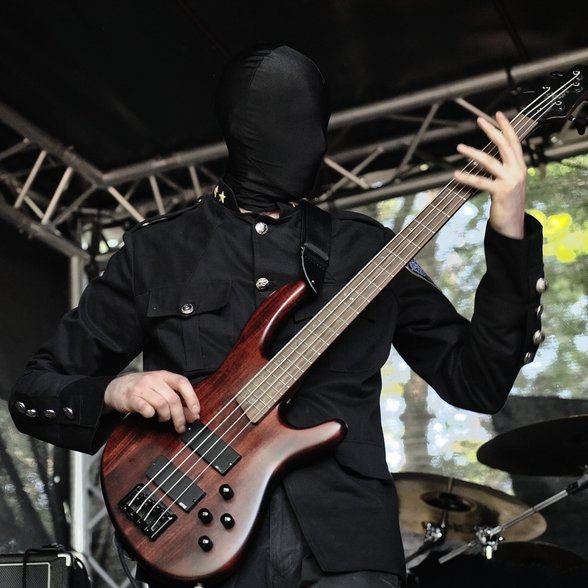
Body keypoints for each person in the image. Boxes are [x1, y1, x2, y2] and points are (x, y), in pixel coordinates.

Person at [9, 45, 545, 588]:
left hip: (347, 548)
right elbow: (34, 392)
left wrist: (510, 231)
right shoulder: (155, 253)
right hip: (195, 542)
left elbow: (478, 382)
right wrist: (114, 391)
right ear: (238, 127)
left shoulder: (368, 251)